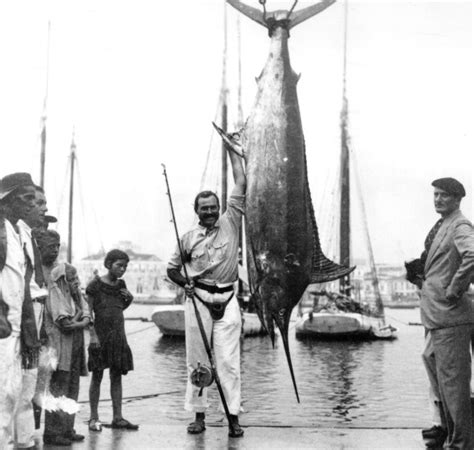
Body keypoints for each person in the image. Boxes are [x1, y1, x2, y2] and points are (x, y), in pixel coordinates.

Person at [167, 142, 246, 438]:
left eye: (213, 207)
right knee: (198, 360)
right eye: (205, 209)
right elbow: (172, 269)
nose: (210, 212)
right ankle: (199, 417)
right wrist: (183, 282)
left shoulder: (231, 221)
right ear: (197, 211)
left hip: (227, 298)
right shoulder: (188, 238)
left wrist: (232, 151)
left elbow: (241, 181)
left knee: (228, 363)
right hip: (198, 299)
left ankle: (233, 418)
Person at [411, 177, 474, 449]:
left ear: (457, 199)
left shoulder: (459, 225)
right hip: (438, 315)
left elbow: (473, 254)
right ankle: (450, 435)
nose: (437, 200)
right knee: (441, 375)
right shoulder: (444, 225)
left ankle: (460, 443)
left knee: (454, 385)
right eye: (435, 195)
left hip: (451, 315)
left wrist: (454, 289)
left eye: (444, 195)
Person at [37, 229, 91, 446]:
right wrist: (82, 320)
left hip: (74, 340)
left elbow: (84, 308)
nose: (56, 250)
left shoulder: (66, 278)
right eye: (51, 246)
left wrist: (82, 317)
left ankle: (67, 428)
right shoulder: (47, 276)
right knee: (59, 384)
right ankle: (53, 431)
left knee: (73, 384)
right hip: (56, 340)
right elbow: (63, 320)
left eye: (58, 246)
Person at [0, 172, 41, 450]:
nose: (31, 204)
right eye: (26, 198)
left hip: (19, 326)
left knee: (16, 394)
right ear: (8, 201)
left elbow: (26, 282)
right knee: (2, 396)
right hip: (2, 326)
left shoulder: (23, 233)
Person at [86, 249, 138, 432]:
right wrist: (92, 336)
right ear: (108, 265)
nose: (122, 269)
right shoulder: (95, 285)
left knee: (116, 375)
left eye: (125, 266)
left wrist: (129, 300)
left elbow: (118, 307)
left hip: (118, 335)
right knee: (97, 375)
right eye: (119, 265)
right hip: (100, 336)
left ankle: (118, 417)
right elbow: (88, 312)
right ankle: (94, 418)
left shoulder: (121, 284)